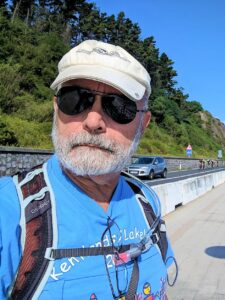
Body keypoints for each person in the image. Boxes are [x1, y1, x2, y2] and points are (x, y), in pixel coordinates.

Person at [0, 40, 175, 299]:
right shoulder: (10, 212)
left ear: (143, 123)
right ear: (56, 107)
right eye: (76, 100)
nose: (93, 121)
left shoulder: (146, 202)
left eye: (119, 107)